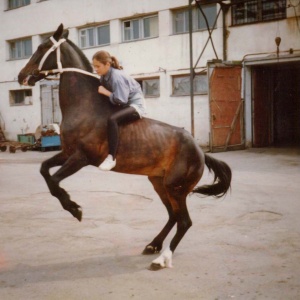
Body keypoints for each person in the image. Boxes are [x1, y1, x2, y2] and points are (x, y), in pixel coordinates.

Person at [92, 50, 146, 171]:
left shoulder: (116, 77)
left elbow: (121, 100)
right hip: (125, 105)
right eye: (94, 66)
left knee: (112, 120)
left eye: (98, 66)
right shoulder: (105, 76)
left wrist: (105, 92)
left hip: (135, 106)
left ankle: (111, 158)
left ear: (107, 65)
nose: (95, 69)